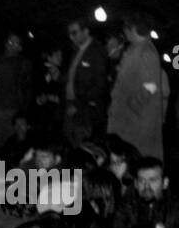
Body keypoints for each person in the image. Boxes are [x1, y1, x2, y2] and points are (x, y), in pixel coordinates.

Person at [108, 12, 167, 162]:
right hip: (129, 121)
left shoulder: (146, 52)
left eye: (126, 28)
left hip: (136, 124)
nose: (124, 31)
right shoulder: (136, 48)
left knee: (135, 161)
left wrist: (132, 105)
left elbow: (151, 86)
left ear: (133, 29)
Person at [63, 17, 109, 147]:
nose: (71, 37)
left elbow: (99, 85)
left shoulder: (97, 51)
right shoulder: (75, 50)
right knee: (69, 142)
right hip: (70, 103)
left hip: (85, 110)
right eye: (70, 34)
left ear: (86, 31)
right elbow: (72, 77)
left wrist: (78, 105)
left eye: (75, 32)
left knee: (81, 145)